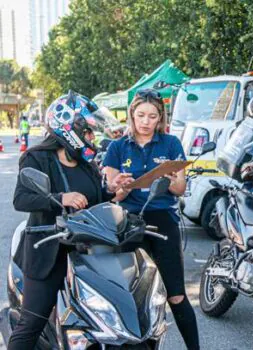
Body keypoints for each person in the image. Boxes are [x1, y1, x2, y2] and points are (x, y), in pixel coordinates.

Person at [8, 91, 128, 349]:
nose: (92, 138)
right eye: (88, 132)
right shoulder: (37, 158)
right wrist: (59, 198)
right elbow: (21, 199)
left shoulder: (87, 163)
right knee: (30, 324)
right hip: (48, 252)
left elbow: (94, 200)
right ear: (70, 129)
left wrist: (114, 191)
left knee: (108, 323)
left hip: (87, 253)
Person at [103, 88, 200, 350]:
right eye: (141, 115)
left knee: (176, 294)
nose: (146, 121)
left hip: (163, 220)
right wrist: (119, 187)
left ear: (160, 118)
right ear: (132, 115)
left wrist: (169, 180)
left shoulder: (171, 144)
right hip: (128, 221)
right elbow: (113, 194)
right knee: (130, 295)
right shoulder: (116, 146)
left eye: (152, 116)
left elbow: (180, 190)